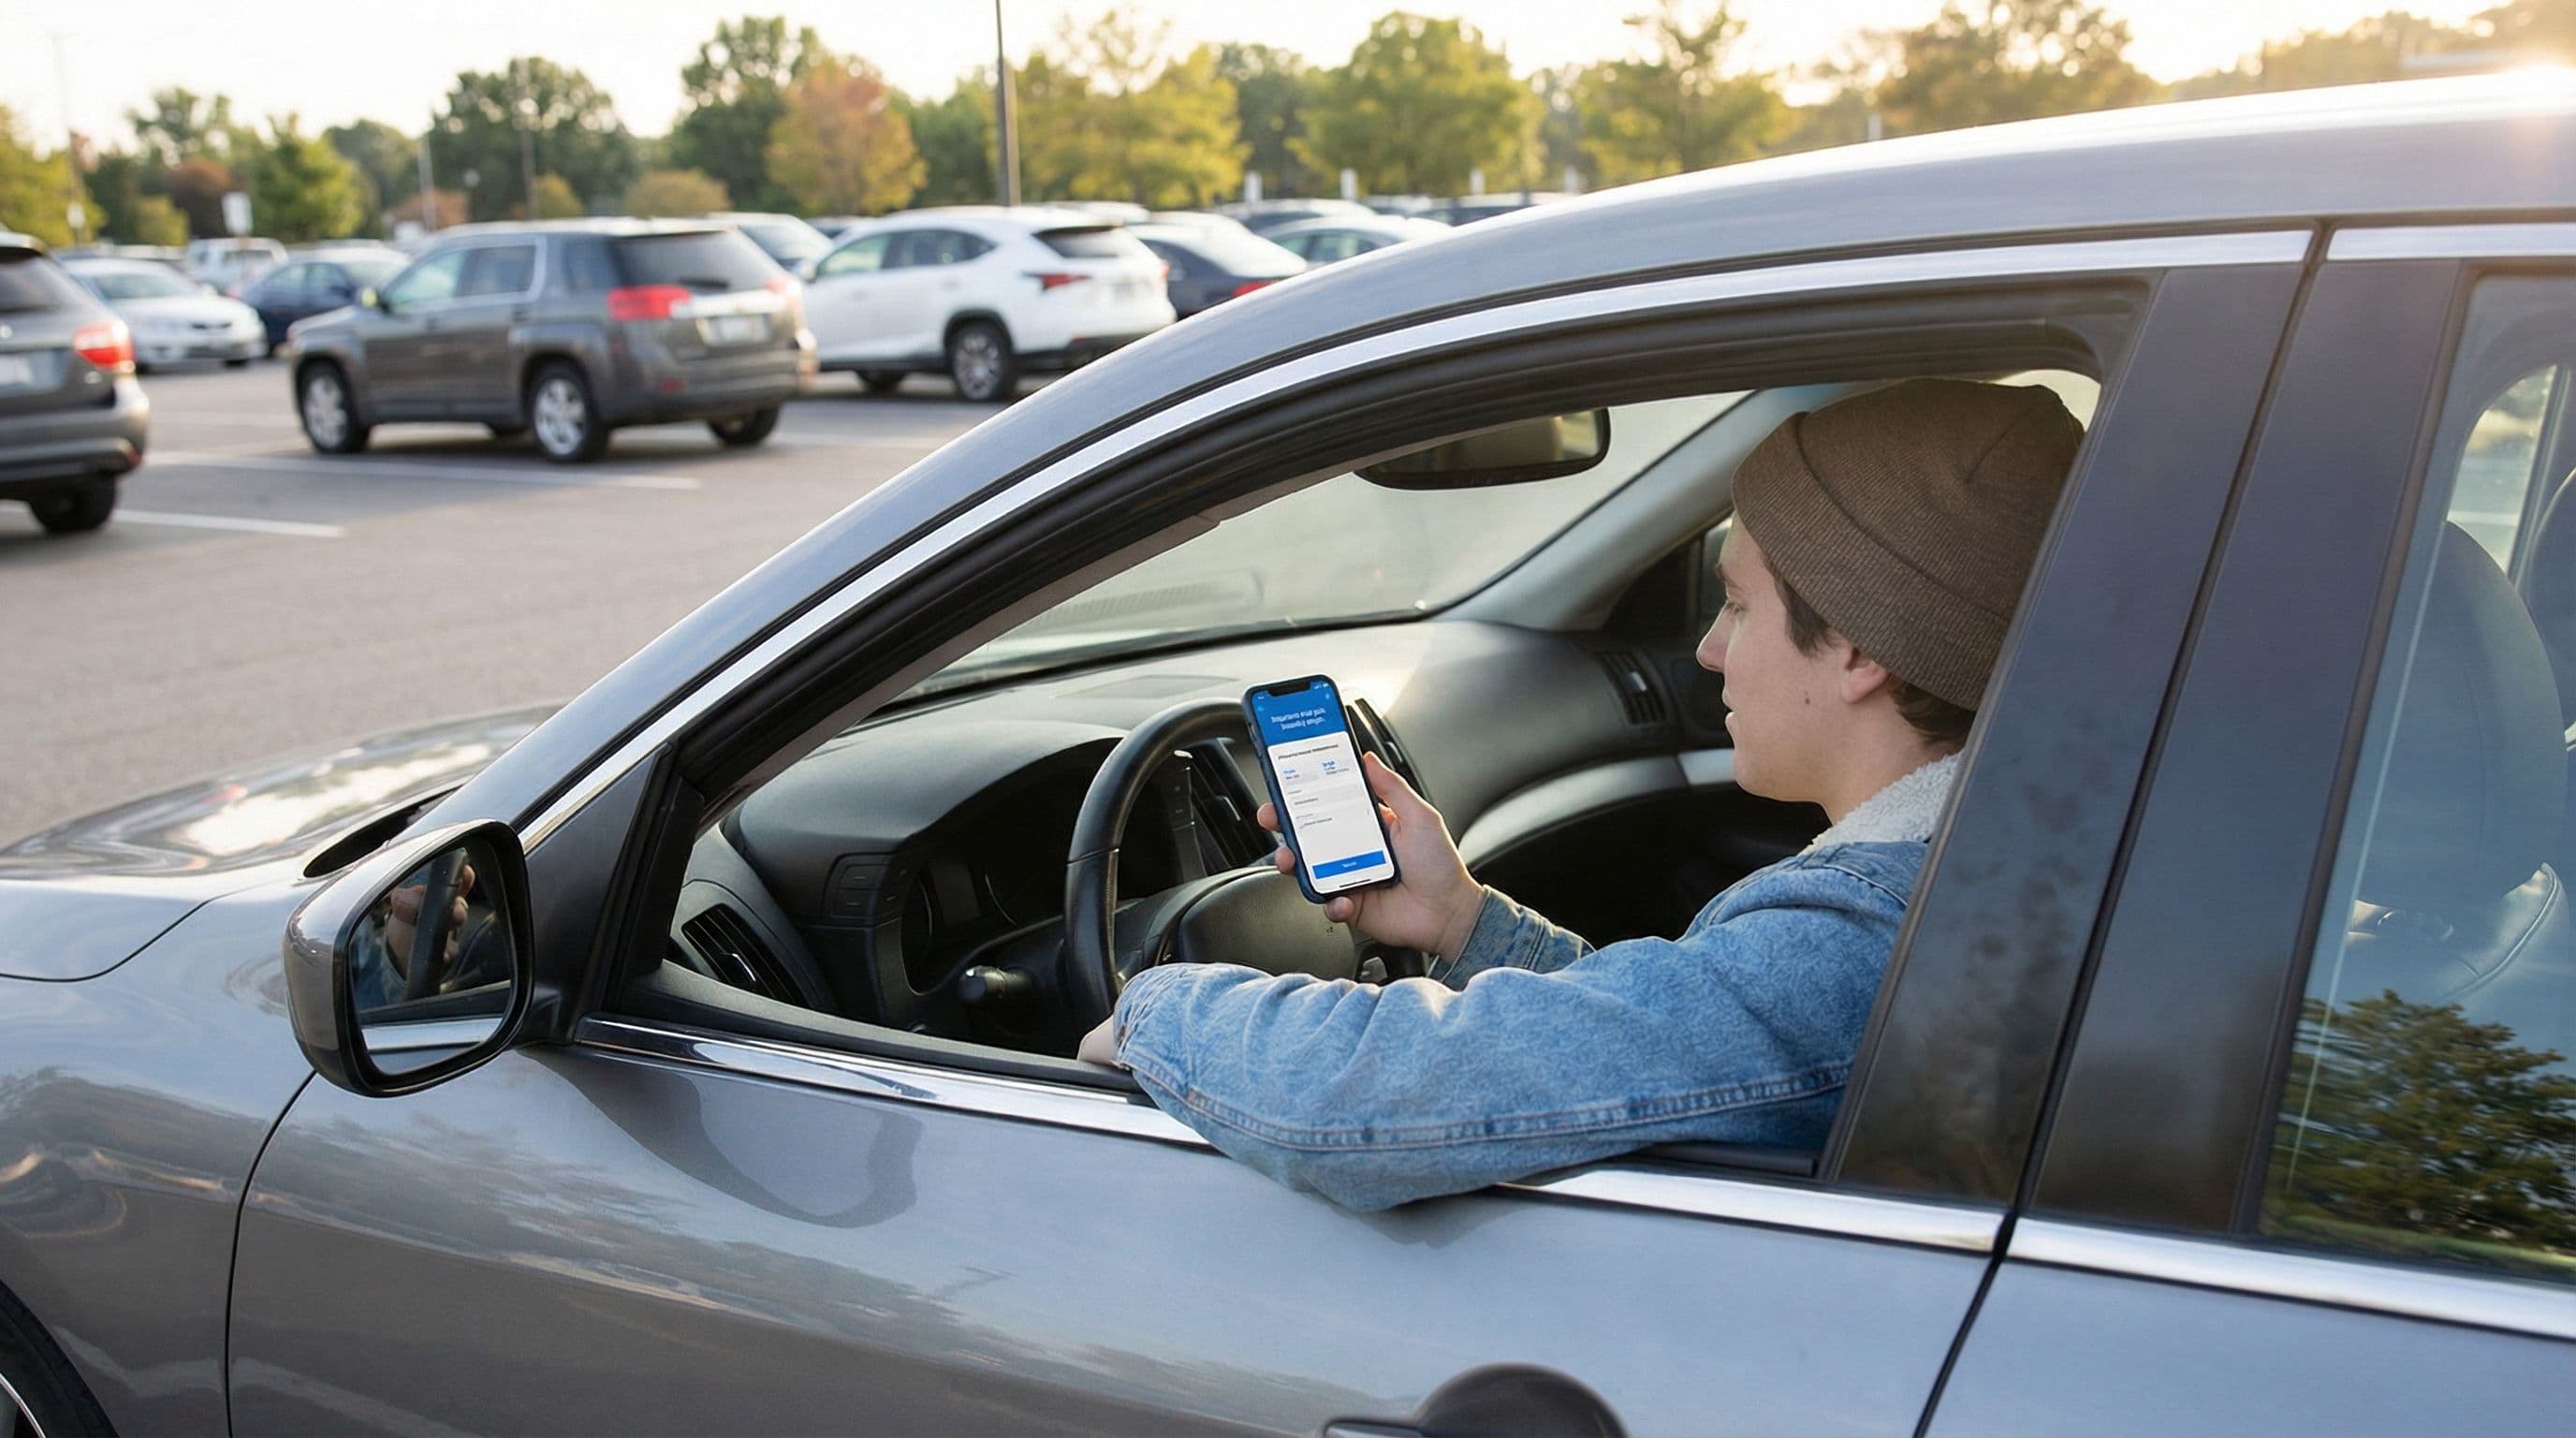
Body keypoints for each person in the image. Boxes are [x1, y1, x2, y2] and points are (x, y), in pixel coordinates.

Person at [1077, 378, 2083, 1211]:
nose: (1708, 650)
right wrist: (1463, 920)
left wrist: (1150, 1008)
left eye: (1737, 605)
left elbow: (1362, 1106)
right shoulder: (2003, 874)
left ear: (1861, 645)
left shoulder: (1864, 938)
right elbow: (1691, 1050)